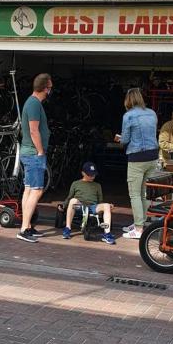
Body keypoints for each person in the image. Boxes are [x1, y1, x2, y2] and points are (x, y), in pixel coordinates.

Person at [115, 88, 158, 239]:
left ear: (128, 100)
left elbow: (125, 139)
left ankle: (138, 229)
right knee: (145, 193)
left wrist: (119, 138)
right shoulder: (152, 113)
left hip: (137, 156)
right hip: (153, 155)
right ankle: (140, 223)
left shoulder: (128, 115)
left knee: (134, 194)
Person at [17, 72, 52, 243]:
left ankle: (27, 225)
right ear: (45, 88)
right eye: (50, 87)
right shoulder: (34, 104)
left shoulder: (33, 103)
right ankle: (24, 229)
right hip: (33, 154)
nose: (50, 90)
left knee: (29, 189)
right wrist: (40, 151)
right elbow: (33, 130)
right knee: (37, 190)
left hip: (30, 153)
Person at [61, 162, 115, 245]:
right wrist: (64, 205)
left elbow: (100, 201)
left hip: (92, 207)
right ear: (83, 173)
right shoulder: (76, 183)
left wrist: (106, 207)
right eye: (90, 174)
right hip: (80, 207)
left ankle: (107, 234)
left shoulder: (97, 185)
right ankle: (68, 228)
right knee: (73, 201)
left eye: (94, 174)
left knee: (107, 205)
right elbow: (69, 197)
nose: (92, 176)